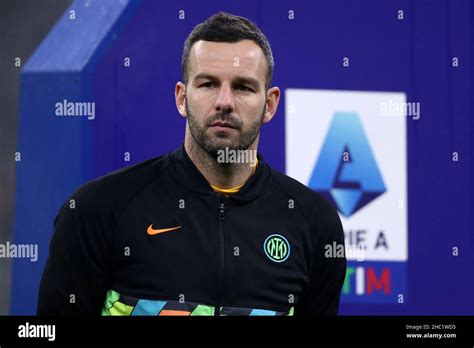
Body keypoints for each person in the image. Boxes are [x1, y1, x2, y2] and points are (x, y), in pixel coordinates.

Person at [37, 11, 346, 316]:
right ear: (181, 98)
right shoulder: (97, 209)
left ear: (270, 104)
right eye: (208, 84)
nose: (224, 101)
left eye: (243, 87)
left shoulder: (314, 223)